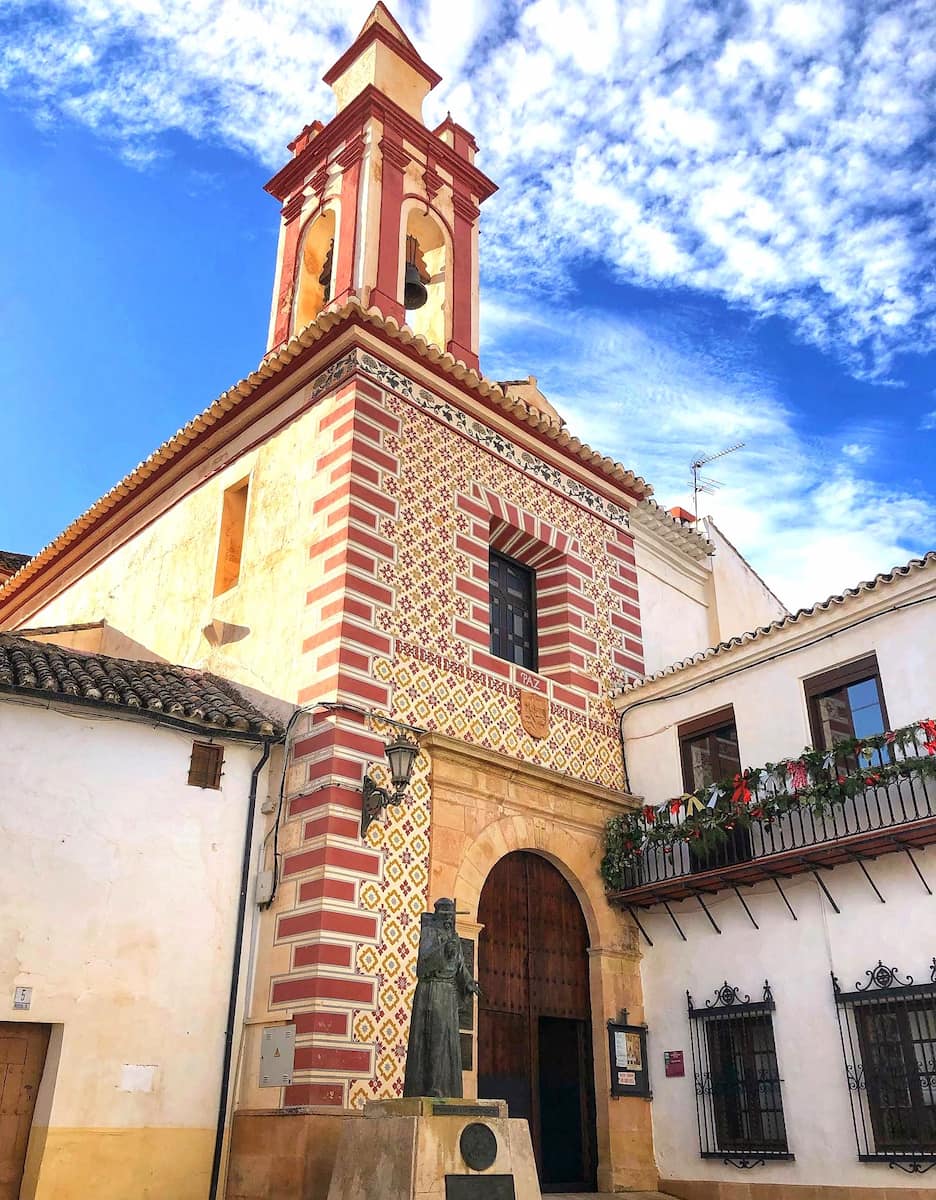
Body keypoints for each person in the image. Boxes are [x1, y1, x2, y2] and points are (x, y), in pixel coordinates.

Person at [403, 897, 480, 1098]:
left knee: (447, 1040)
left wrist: (469, 982)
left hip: (448, 993)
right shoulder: (429, 933)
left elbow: (460, 965)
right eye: (445, 914)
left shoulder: (454, 936)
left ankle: (447, 1088)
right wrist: (444, 950)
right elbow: (423, 965)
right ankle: (432, 1086)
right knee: (434, 1038)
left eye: (450, 915)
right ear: (437, 915)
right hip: (433, 990)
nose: (448, 918)